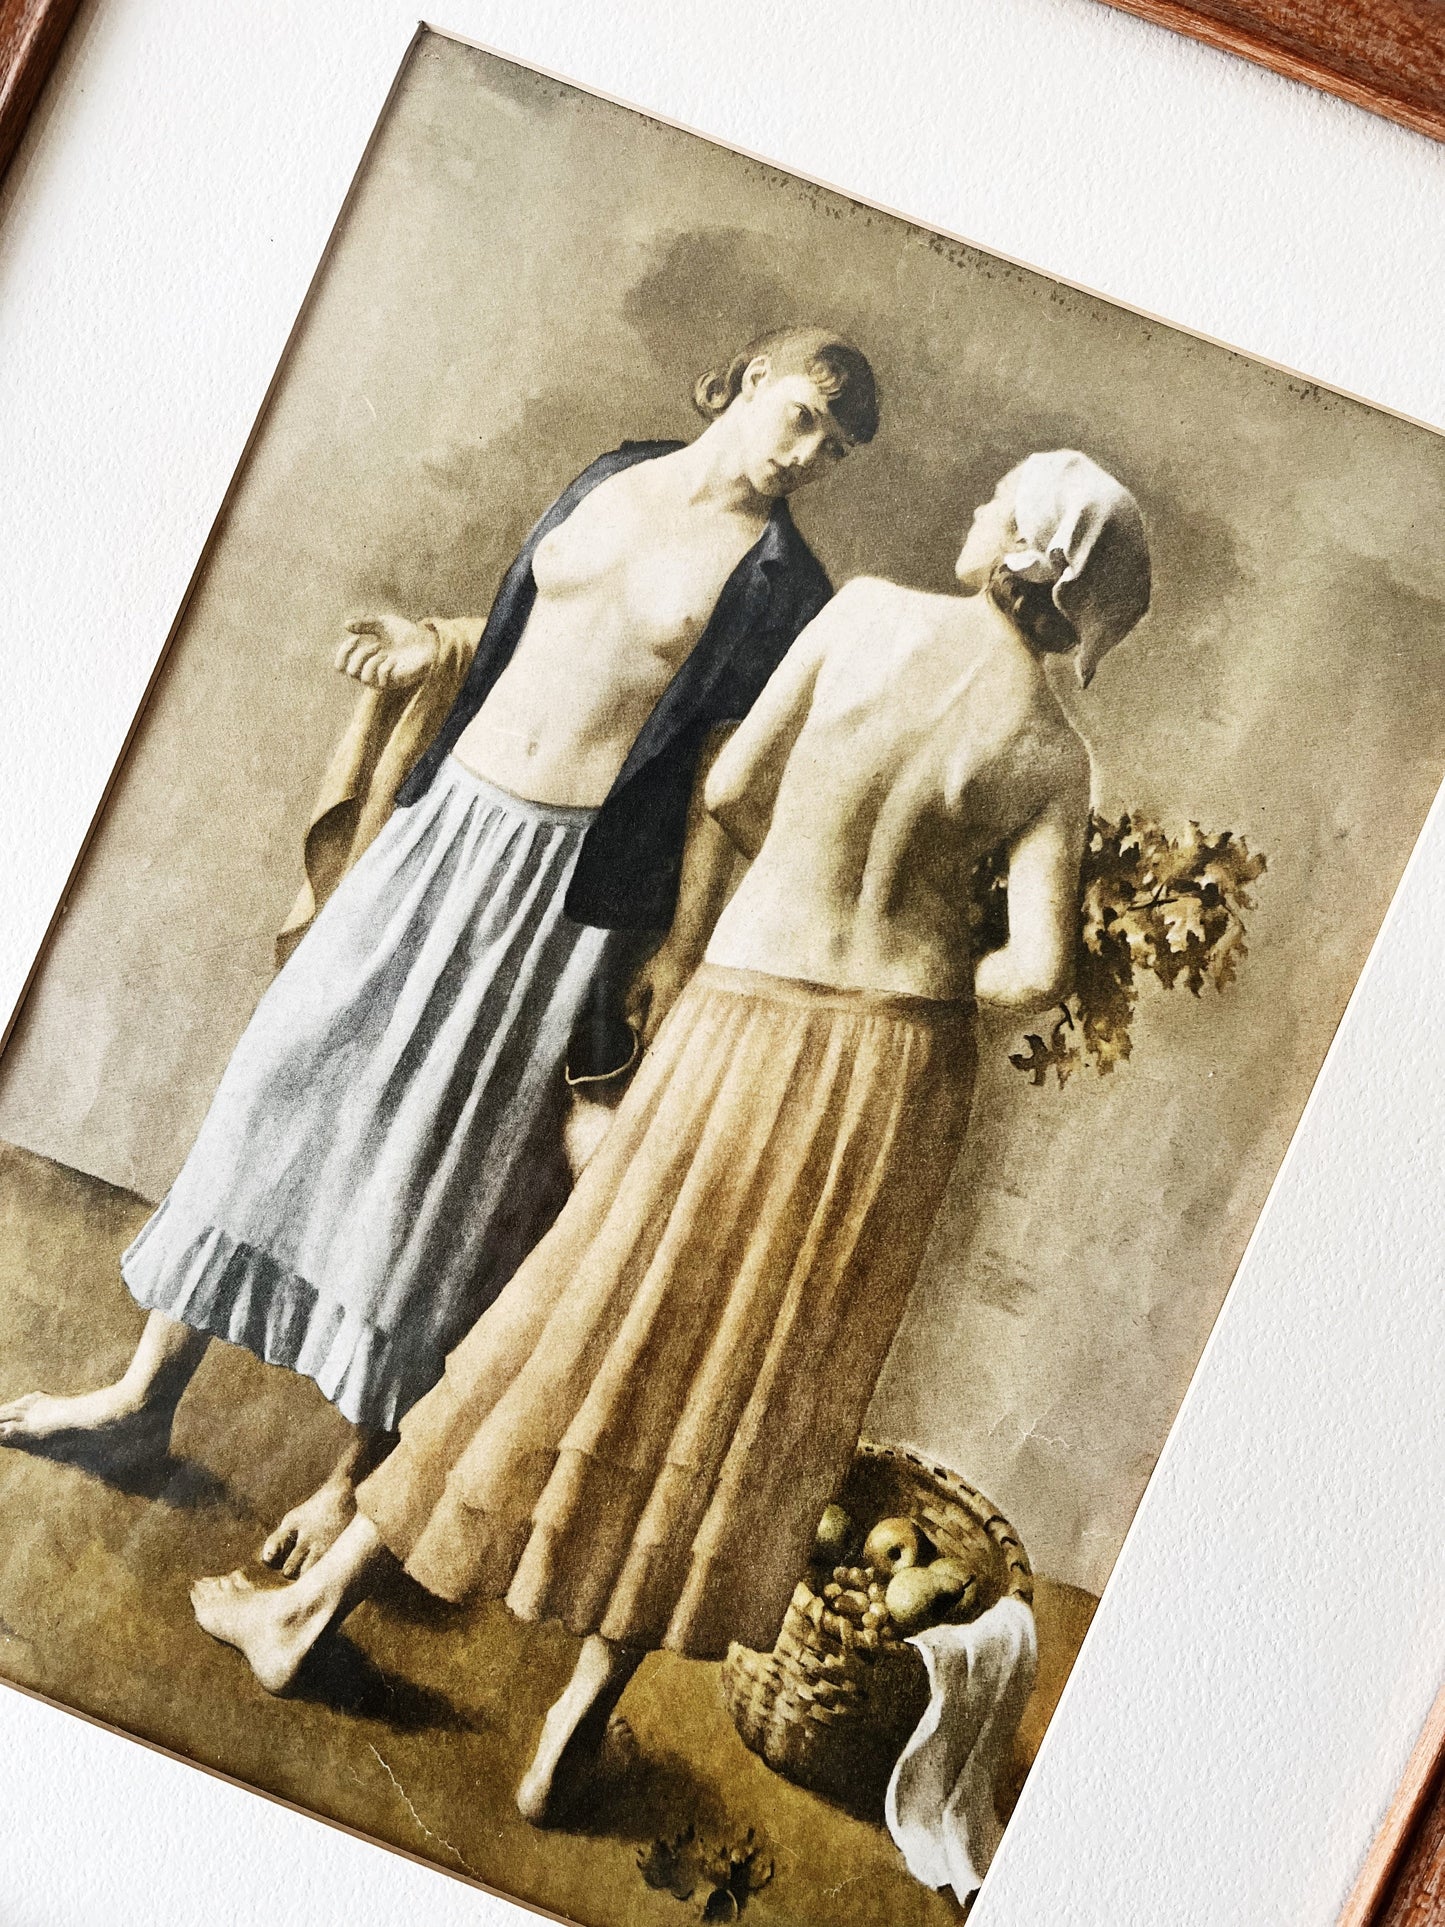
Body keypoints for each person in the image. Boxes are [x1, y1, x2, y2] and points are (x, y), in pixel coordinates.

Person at [187, 449, 1152, 1826]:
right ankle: (572, 1727)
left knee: (576, 1315)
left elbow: (735, 786)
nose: (973, 507)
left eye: (994, 501)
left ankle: (310, 1608)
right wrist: (919, 958)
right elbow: (1036, 972)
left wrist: (808, 876)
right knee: (753, 1387)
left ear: (1023, 542)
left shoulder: (864, 615)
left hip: (742, 1016)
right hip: (886, 1076)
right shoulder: (1052, 752)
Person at [0, 327, 880, 1577]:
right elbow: (542, 627)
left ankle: (352, 1483)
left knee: (455, 1170)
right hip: (442, 821)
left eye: (832, 450)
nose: (806, 457)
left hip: (564, 889)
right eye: (800, 417)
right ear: (746, 380)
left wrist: (677, 950)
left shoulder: (783, 588)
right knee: (283, 1080)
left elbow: (713, 784)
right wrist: (434, 648)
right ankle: (143, 1398)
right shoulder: (614, 469)